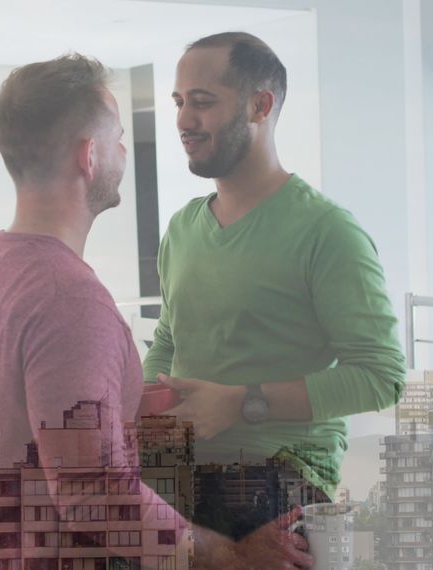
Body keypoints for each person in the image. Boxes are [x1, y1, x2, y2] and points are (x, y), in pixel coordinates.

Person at [0, 53, 312, 569]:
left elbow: (30, 429)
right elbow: (94, 495)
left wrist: (129, 403)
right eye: (118, 137)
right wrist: (231, 555)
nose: (123, 150)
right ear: (88, 157)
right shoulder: (68, 299)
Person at [145, 32, 408, 537]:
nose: (183, 121)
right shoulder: (181, 229)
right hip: (183, 465)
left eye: (202, 102)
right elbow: (170, 341)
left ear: (259, 106)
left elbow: (382, 376)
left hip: (280, 474)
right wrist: (147, 403)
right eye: (179, 103)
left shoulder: (327, 231)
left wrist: (241, 402)